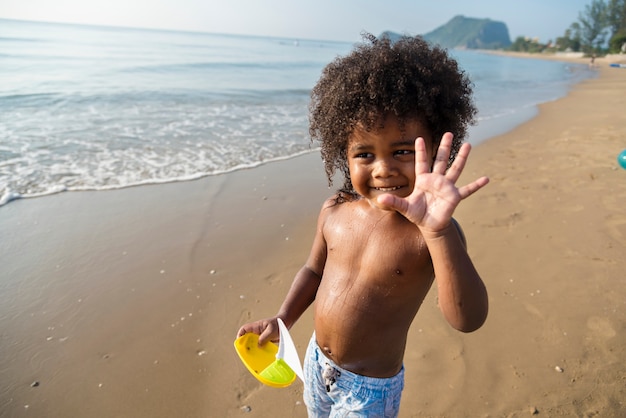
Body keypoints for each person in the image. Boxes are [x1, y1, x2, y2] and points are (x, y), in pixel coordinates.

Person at [237, 33, 489, 417]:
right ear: (344, 154)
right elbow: (312, 270)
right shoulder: (335, 210)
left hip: (369, 391)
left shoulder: (430, 235)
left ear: (437, 147)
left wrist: (438, 232)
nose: (383, 168)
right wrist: (284, 318)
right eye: (364, 153)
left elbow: (467, 320)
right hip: (315, 365)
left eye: (403, 151)